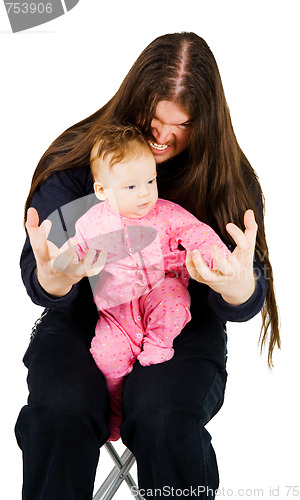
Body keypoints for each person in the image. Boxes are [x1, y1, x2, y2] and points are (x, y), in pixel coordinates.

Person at [16, 32, 280, 500]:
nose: (161, 136)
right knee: (61, 406)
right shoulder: (82, 158)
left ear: (207, 123)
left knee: (161, 409)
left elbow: (246, 289)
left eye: (180, 125)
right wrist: (55, 280)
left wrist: (240, 288)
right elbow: (42, 269)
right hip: (84, 318)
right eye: (152, 118)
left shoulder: (227, 177)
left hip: (178, 321)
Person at [59, 123, 231, 441]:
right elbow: (74, 252)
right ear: (102, 191)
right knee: (105, 355)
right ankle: (115, 412)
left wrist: (217, 257)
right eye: (131, 187)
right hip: (118, 306)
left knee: (175, 304)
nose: (145, 193)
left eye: (150, 181)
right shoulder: (91, 223)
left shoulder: (166, 213)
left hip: (160, 287)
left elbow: (198, 233)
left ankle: (157, 344)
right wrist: (64, 263)